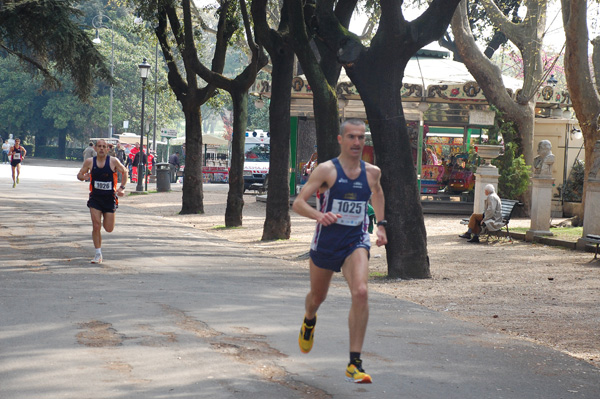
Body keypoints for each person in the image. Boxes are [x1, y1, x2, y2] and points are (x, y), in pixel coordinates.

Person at [292, 119, 387, 384]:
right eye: (351, 137)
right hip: (326, 244)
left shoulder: (372, 173)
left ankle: (354, 363)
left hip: (355, 241)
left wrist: (381, 226)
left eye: (361, 137)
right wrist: (319, 215)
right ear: (340, 139)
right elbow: (298, 203)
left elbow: (377, 194)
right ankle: (309, 320)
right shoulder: (326, 171)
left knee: (361, 291)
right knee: (317, 297)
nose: (357, 142)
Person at [77, 139, 128, 264]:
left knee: (109, 228)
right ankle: (98, 254)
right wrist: (83, 177)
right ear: (95, 148)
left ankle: (106, 224)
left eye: (104, 146)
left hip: (109, 198)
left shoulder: (113, 161)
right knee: (96, 225)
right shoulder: (90, 162)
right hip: (95, 198)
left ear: (108, 149)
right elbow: (79, 174)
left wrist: (122, 188)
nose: (101, 149)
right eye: (99, 146)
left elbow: (125, 172)